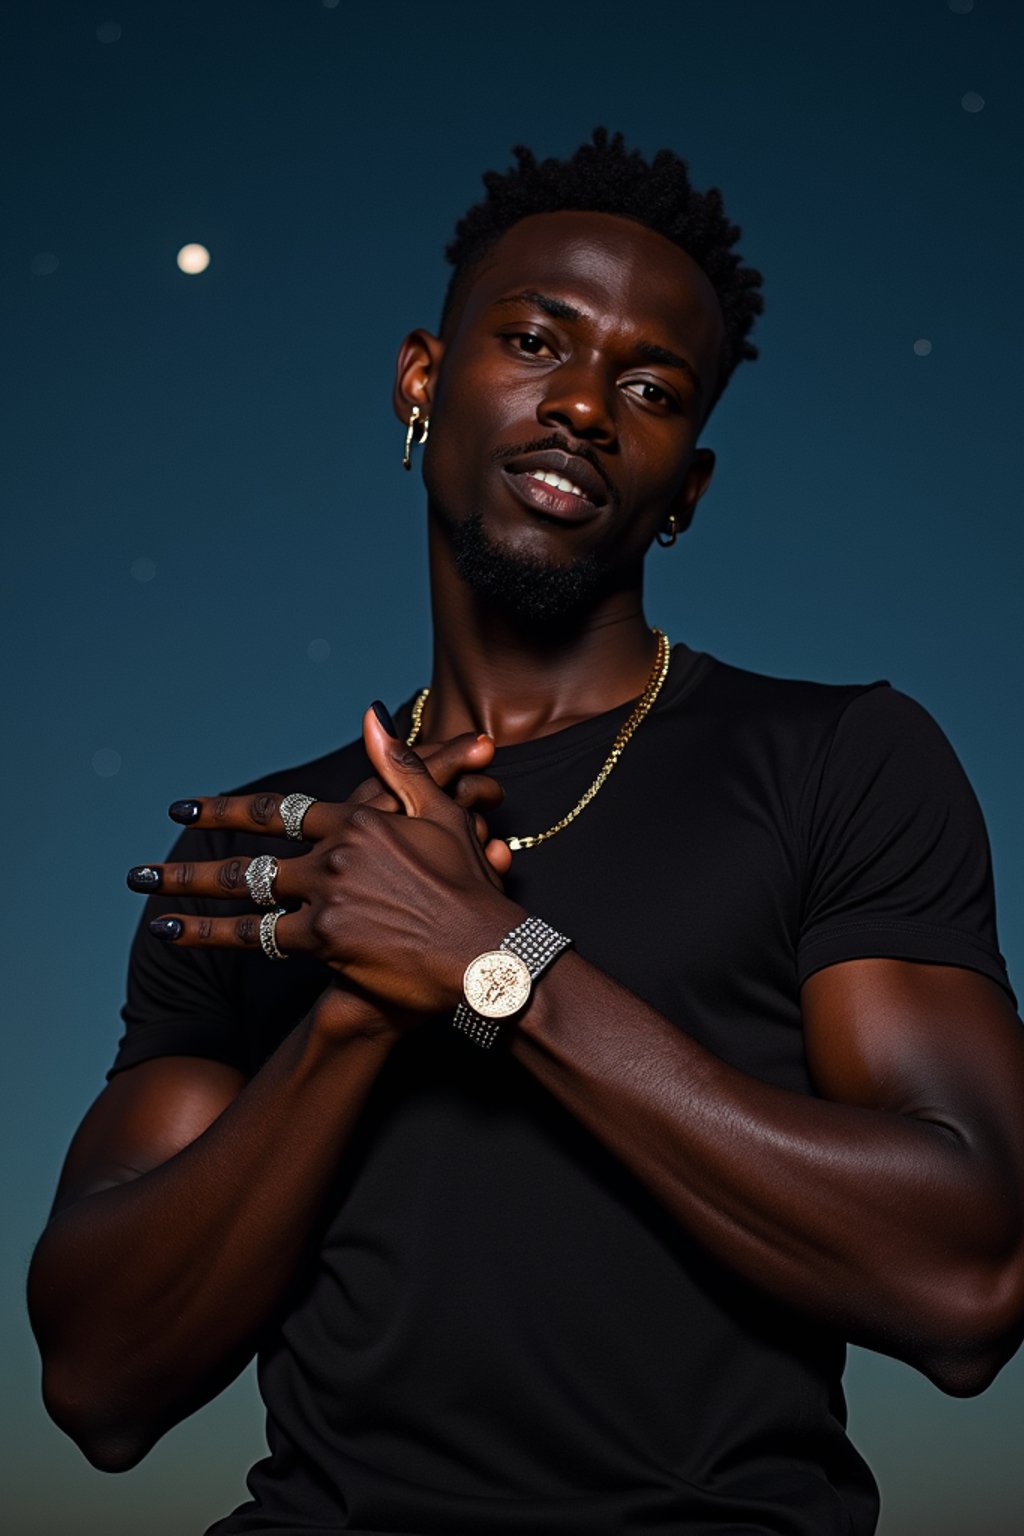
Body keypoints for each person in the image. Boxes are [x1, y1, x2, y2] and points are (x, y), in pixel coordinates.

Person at [30, 130, 1024, 1536]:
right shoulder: (265, 854)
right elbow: (99, 1384)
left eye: (651, 387)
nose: (583, 408)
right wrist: (355, 1022)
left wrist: (496, 962)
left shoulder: (839, 761)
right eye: (535, 340)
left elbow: (970, 1284)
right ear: (423, 384)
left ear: (687, 489)